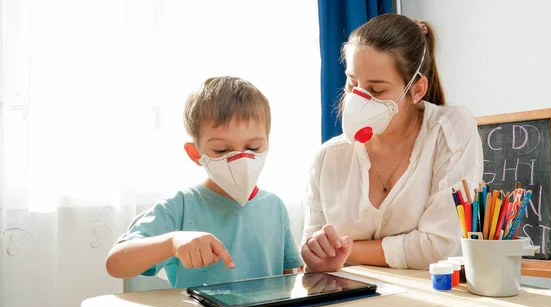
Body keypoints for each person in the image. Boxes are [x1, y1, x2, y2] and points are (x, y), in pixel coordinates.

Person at [301, 14, 483, 272]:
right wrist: (313, 252)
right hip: (348, 302)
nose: (359, 99)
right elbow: (312, 247)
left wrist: (346, 251)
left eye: (376, 90)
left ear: (417, 90)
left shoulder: (450, 129)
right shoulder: (328, 157)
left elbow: (437, 246)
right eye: (352, 84)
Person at [106, 76, 303, 288]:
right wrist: (172, 242)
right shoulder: (179, 206)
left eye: (253, 148)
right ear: (195, 154)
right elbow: (116, 263)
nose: (241, 159)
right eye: (222, 150)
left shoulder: (274, 206)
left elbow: (289, 278)